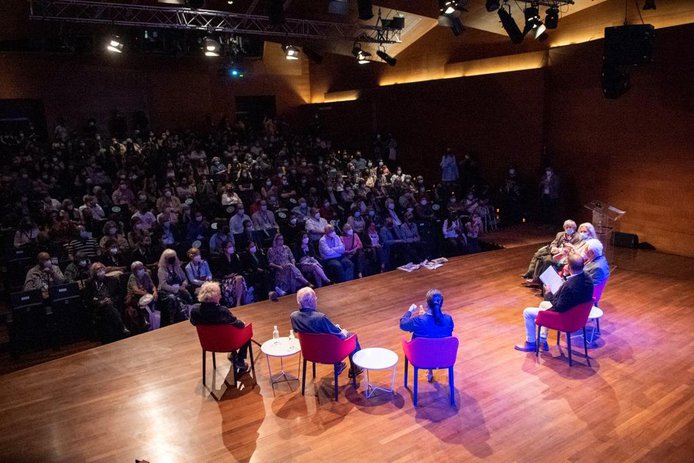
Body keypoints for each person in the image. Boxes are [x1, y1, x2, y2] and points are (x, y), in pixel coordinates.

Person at [514, 254, 594, 352]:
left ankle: (531, 343)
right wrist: (565, 277)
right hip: (579, 317)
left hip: (565, 318)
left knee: (527, 312)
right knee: (543, 305)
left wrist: (548, 293)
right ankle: (542, 339)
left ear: (569, 267)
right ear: (583, 265)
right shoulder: (588, 279)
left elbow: (558, 307)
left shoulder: (569, 286)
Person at [290, 287, 361, 377]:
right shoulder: (320, 318)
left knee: (324, 337)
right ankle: (356, 368)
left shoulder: (294, 317)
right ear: (311, 301)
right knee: (351, 336)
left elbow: (298, 330)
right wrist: (343, 332)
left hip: (310, 352)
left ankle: (339, 365)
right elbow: (339, 336)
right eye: (315, 299)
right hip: (329, 353)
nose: (316, 300)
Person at [189, 281, 250, 375]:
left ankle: (234, 356)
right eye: (219, 294)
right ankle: (240, 361)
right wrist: (243, 323)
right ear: (214, 296)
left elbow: (193, 322)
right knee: (247, 331)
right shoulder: (222, 311)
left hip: (208, 343)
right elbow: (238, 324)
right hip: (226, 343)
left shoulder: (194, 310)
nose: (221, 297)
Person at [399, 289, 455, 382]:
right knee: (434, 338)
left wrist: (410, 311)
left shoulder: (419, 321)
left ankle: (429, 371)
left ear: (427, 303)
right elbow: (438, 329)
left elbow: (403, 325)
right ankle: (430, 372)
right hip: (443, 357)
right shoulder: (448, 319)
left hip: (420, 358)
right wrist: (424, 316)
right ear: (441, 303)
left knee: (427, 341)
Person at [83, 262, 130, 343]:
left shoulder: (113, 280)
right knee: (107, 306)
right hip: (98, 307)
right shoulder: (90, 283)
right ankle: (122, 326)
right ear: (94, 272)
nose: (100, 270)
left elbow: (120, 294)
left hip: (112, 303)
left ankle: (117, 331)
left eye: (101, 268)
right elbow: (87, 300)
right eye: (98, 269)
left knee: (109, 306)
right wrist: (99, 303)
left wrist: (111, 299)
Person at [157, 248, 193, 326]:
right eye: (169, 257)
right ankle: (173, 320)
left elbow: (184, 279)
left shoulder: (177, 267)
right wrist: (176, 289)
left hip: (179, 288)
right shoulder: (161, 270)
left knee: (187, 295)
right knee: (172, 298)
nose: (172, 259)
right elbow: (163, 285)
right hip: (166, 292)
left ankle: (189, 314)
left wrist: (183, 285)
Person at [125, 261, 158, 333]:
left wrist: (155, 292)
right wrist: (147, 294)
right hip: (135, 296)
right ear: (134, 270)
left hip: (147, 295)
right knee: (141, 303)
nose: (141, 270)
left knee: (155, 299)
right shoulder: (132, 277)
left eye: (142, 268)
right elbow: (136, 290)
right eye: (139, 269)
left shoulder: (146, 274)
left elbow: (152, 286)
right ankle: (145, 321)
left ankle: (155, 321)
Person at [216, 241, 248, 308]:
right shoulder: (221, 258)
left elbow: (239, 268)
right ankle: (240, 302)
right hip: (226, 279)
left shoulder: (234, 256)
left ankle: (239, 302)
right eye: (229, 246)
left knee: (240, 278)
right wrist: (228, 276)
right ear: (225, 248)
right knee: (240, 279)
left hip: (235, 277)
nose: (232, 248)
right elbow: (221, 272)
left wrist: (234, 274)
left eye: (232, 246)